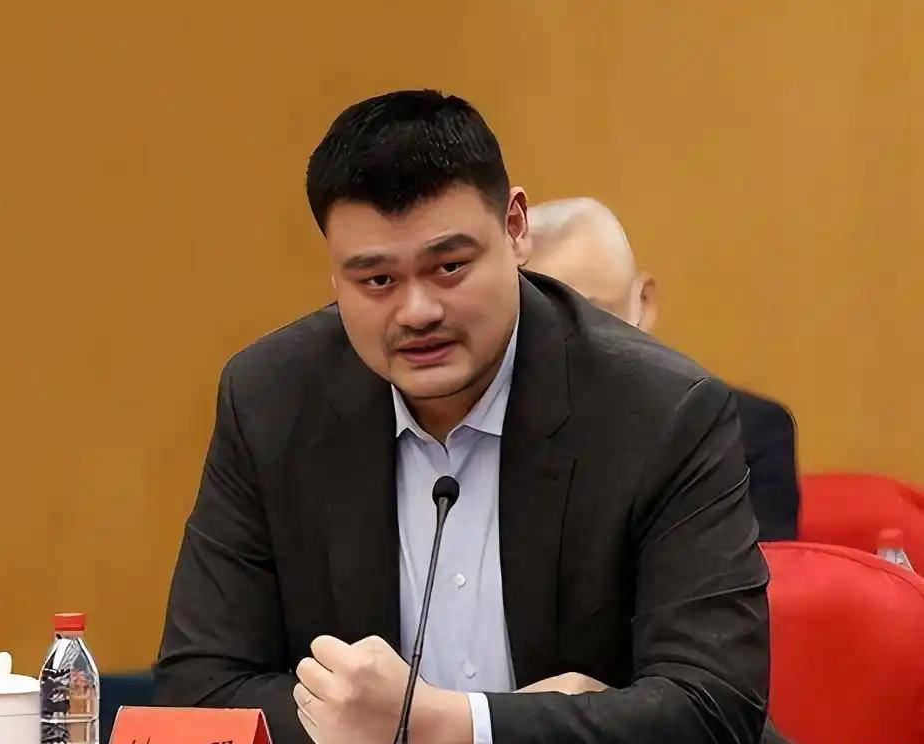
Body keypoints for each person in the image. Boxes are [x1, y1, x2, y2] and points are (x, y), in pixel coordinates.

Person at [155, 90, 769, 744]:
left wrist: (453, 725)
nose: (417, 312)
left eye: (448, 267)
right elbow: (200, 690)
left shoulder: (660, 411)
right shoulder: (272, 400)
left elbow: (713, 706)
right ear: (333, 271)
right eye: (377, 281)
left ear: (515, 228)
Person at [527, 197, 800, 541]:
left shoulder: (745, 433)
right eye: (537, 323)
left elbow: (758, 572)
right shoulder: (492, 437)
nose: (563, 345)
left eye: (591, 316)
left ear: (643, 303)